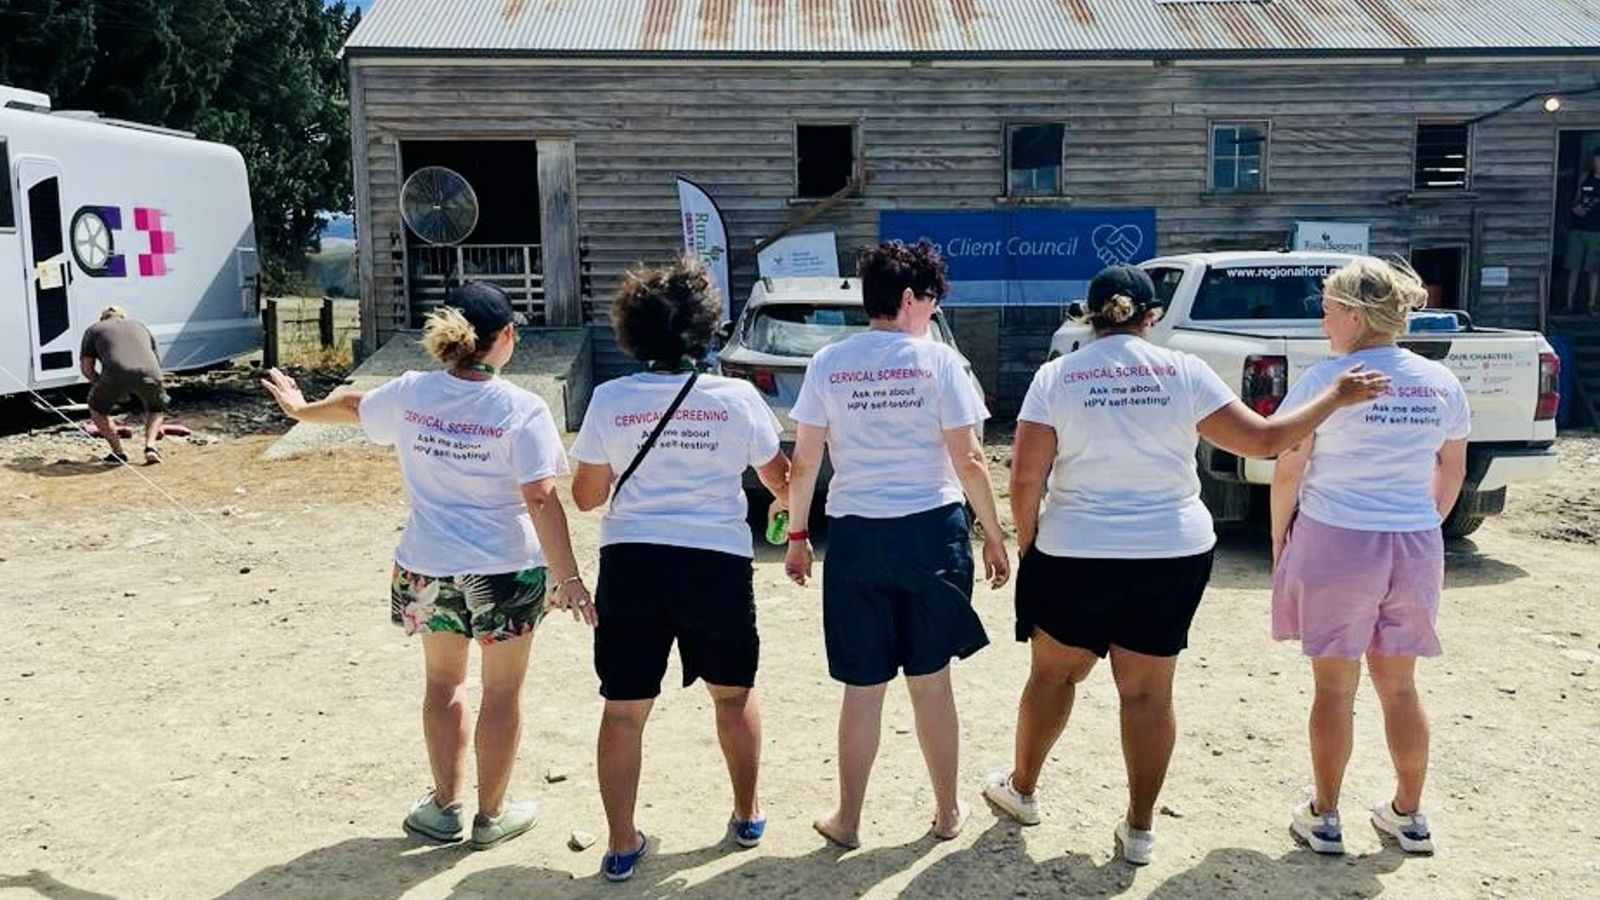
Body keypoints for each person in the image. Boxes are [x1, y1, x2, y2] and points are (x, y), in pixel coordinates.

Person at [987, 265, 1390, 866]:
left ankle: (1022, 789)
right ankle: (1140, 829)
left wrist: (1031, 542)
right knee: (1148, 694)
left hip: (1077, 549)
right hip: (1171, 549)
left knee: (1053, 676)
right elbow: (1263, 441)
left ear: (1089, 316)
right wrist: (1335, 397)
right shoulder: (1185, 371)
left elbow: (1025, 476)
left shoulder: (1057, 376)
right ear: (1151, 317)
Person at [261, 281, 591, 851]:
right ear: (506, 337)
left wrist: (297, 409)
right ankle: (492, 814)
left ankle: (444, 806)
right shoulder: (522, 408)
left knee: (443, 685)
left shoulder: (412, 392)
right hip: (505, 570)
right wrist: (571, 580)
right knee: (503, 693)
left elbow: (353, 406)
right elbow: (539, 497)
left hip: (427, 565)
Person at [568, 258, 791, 883]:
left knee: (624, 708)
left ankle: (619, 843)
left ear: (631, 331)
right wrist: (781, 505)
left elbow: (586, 498)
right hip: (715, 563)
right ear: (706, 327)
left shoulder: (611, 400)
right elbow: (780, 480)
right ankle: (747, 814)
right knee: (733, 693)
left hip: (632, 561)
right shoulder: (737, 398)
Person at [784, 239, 1010, 851]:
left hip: (857, 537)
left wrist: (798, 537)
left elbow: (804, 463)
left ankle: (849, 819)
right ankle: (946, 812)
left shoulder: (829, 362)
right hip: (931, 532)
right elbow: (967, 458)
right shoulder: (941, 364)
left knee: (864, 687)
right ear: (909, 298)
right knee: (931, 681)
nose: (933, 311)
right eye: (931, 299)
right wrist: (993, 534)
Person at [1271, 258, 1469, 857]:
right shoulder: (1440, 382)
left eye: (1328, 309)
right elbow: (1451, 468)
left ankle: (1325, 815)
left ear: (1355, 317)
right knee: (1400, 687)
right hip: (1412, 541)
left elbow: (1289, 465)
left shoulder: (1326, 381)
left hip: (1337, 535)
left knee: (1335, 688)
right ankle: (1409, 814)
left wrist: (1281, 538)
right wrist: (1423, 524)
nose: (1323, 320)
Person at [80, 306, 170, 465]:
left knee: (97, 409)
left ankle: (118, 453)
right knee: (157, 408)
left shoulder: (94, 329)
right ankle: (150, 447)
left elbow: (87, 369)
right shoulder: (140, 326)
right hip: (151, 371)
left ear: (103, 319)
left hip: (115, 373)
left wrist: (101, 385)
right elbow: (154, 361)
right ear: (123, 317)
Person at [1563, 149, 1600, 314]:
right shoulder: (1585, 177)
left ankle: (1591, 305)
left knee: (1594, 269)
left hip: (1597, 231)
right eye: (1597, 160)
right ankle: (1568, 305)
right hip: (1578, 229)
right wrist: (1575, 208)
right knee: (1573, 267)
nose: (1598, 163)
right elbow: (1575, 200)